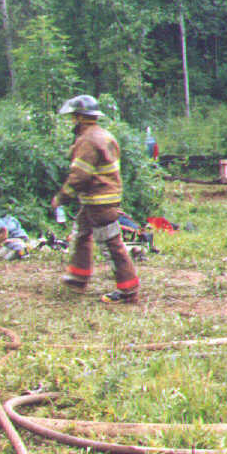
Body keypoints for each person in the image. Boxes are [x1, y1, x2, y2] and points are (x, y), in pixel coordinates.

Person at [50, 95, 141, 304]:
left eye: (74, 117)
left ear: (81, 118)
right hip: (99, 200)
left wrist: (62, 197)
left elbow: (80, 175)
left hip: (99, 202)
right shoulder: (104, 135)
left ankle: (128, 292)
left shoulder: (88, 141)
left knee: (112, 245)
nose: (72, 122)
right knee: (81, 235)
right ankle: (77, 279)